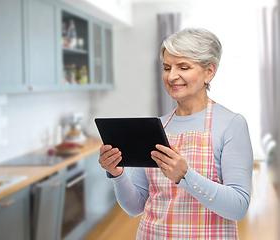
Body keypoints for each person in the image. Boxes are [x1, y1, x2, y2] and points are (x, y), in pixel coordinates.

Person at [98, 28, 253, 239]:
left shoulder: (231, 124)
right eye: (167, 67)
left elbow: (239, 208)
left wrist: (185, 176)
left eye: (184, 67)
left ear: (209, 72)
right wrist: (117, 173)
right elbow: (135, 206)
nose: (171, 76)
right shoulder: (157, 126)